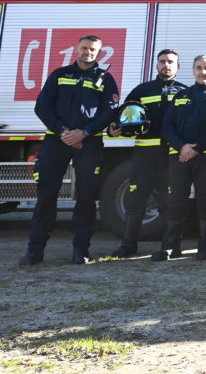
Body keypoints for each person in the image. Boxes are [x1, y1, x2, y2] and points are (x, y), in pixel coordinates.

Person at [20, 35, 119, 265]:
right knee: (46, 196)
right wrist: (64, 132)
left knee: (85, 197)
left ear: (99, 52)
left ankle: (81, 251)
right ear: (76, 49)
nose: (88, 52)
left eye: (93, 49)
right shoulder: (60, 74)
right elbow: (42, 106)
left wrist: (84, 132)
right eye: (84, 48)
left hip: (89, 142)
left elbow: (110, 111)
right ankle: (34, 252)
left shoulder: (105, 79)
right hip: (57, 140)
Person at [111, 49, 187, 258]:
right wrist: (114, 128)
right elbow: (123, 117)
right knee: (136, 198)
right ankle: (128, 245)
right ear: (156, 65)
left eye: (171, 62)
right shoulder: (141, 91)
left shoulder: (184, 92)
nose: (166, 65)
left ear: (177, 66)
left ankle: (170, 246)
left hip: (171, 157)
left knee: (168, 201)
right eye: (162, 61)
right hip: (144, 155)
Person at [158, 54, 206, 261]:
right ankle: (171, 247)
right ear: (193, 70)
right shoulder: (181, 95)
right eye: (198, 67)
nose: (202, 72)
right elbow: (167, 126)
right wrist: (182, 147)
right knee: (175, 201)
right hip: (180, 157)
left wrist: (197, 148)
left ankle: (204, 247)